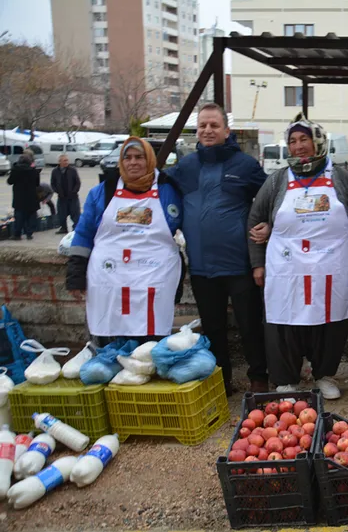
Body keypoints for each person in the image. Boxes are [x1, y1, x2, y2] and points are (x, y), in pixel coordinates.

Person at [247, 114, 348, 399]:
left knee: (330, 322)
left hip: (330, 266)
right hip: (286, 266)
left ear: (318, 142)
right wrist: (257, 263)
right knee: (284, 322)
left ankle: (323, 375)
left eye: (304, 139)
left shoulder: (340, 178)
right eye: (293, 141)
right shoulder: (277, 181)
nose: (298, 146)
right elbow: (256, 219)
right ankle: (286, 380)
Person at [165, 102, 269, 395]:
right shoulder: (185, 166)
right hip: (201, 266)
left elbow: (272, 199)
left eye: (214, 125)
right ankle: (221, 380)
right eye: (202, 126)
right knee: (213, 330)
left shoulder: (245, 165)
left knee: (250, 326)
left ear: (226, 130)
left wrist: (270, 225)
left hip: (239, 263)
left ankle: (259, 377)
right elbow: (154, 186)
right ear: (196, 131)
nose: (208, 130)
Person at [66, 138, 183, 344]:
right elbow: (83, 233)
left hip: (153, 280)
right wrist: (75, 273)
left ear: (150, 160)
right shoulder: (102, 192)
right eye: (127, 158)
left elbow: (187, 230)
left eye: (139, 157)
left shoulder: (169, 191)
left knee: (149, 348)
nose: (133, 162)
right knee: (109, 342)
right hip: (109, 281)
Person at [7, 153, 40, 241]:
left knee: (19, 216)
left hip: (19, 197)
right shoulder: (34, 171)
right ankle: (29, 233)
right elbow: (37, 184)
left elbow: (9, 181)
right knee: (31, 215)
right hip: (31, 197)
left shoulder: (16, 170)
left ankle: (17, 234)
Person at [51, 154, 81, 234]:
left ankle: (76, 228)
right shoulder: (55, 171)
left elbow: (77, 182)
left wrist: (74, 191)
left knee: (75, 213)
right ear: (59, 162)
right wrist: (57, 191)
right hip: (62, 197)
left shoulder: (73, 170)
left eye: (67, 160)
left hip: (73, 197)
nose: (66, 162)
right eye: (64, 160)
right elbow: (53, 183)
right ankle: (63, 228)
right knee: (61, 214)